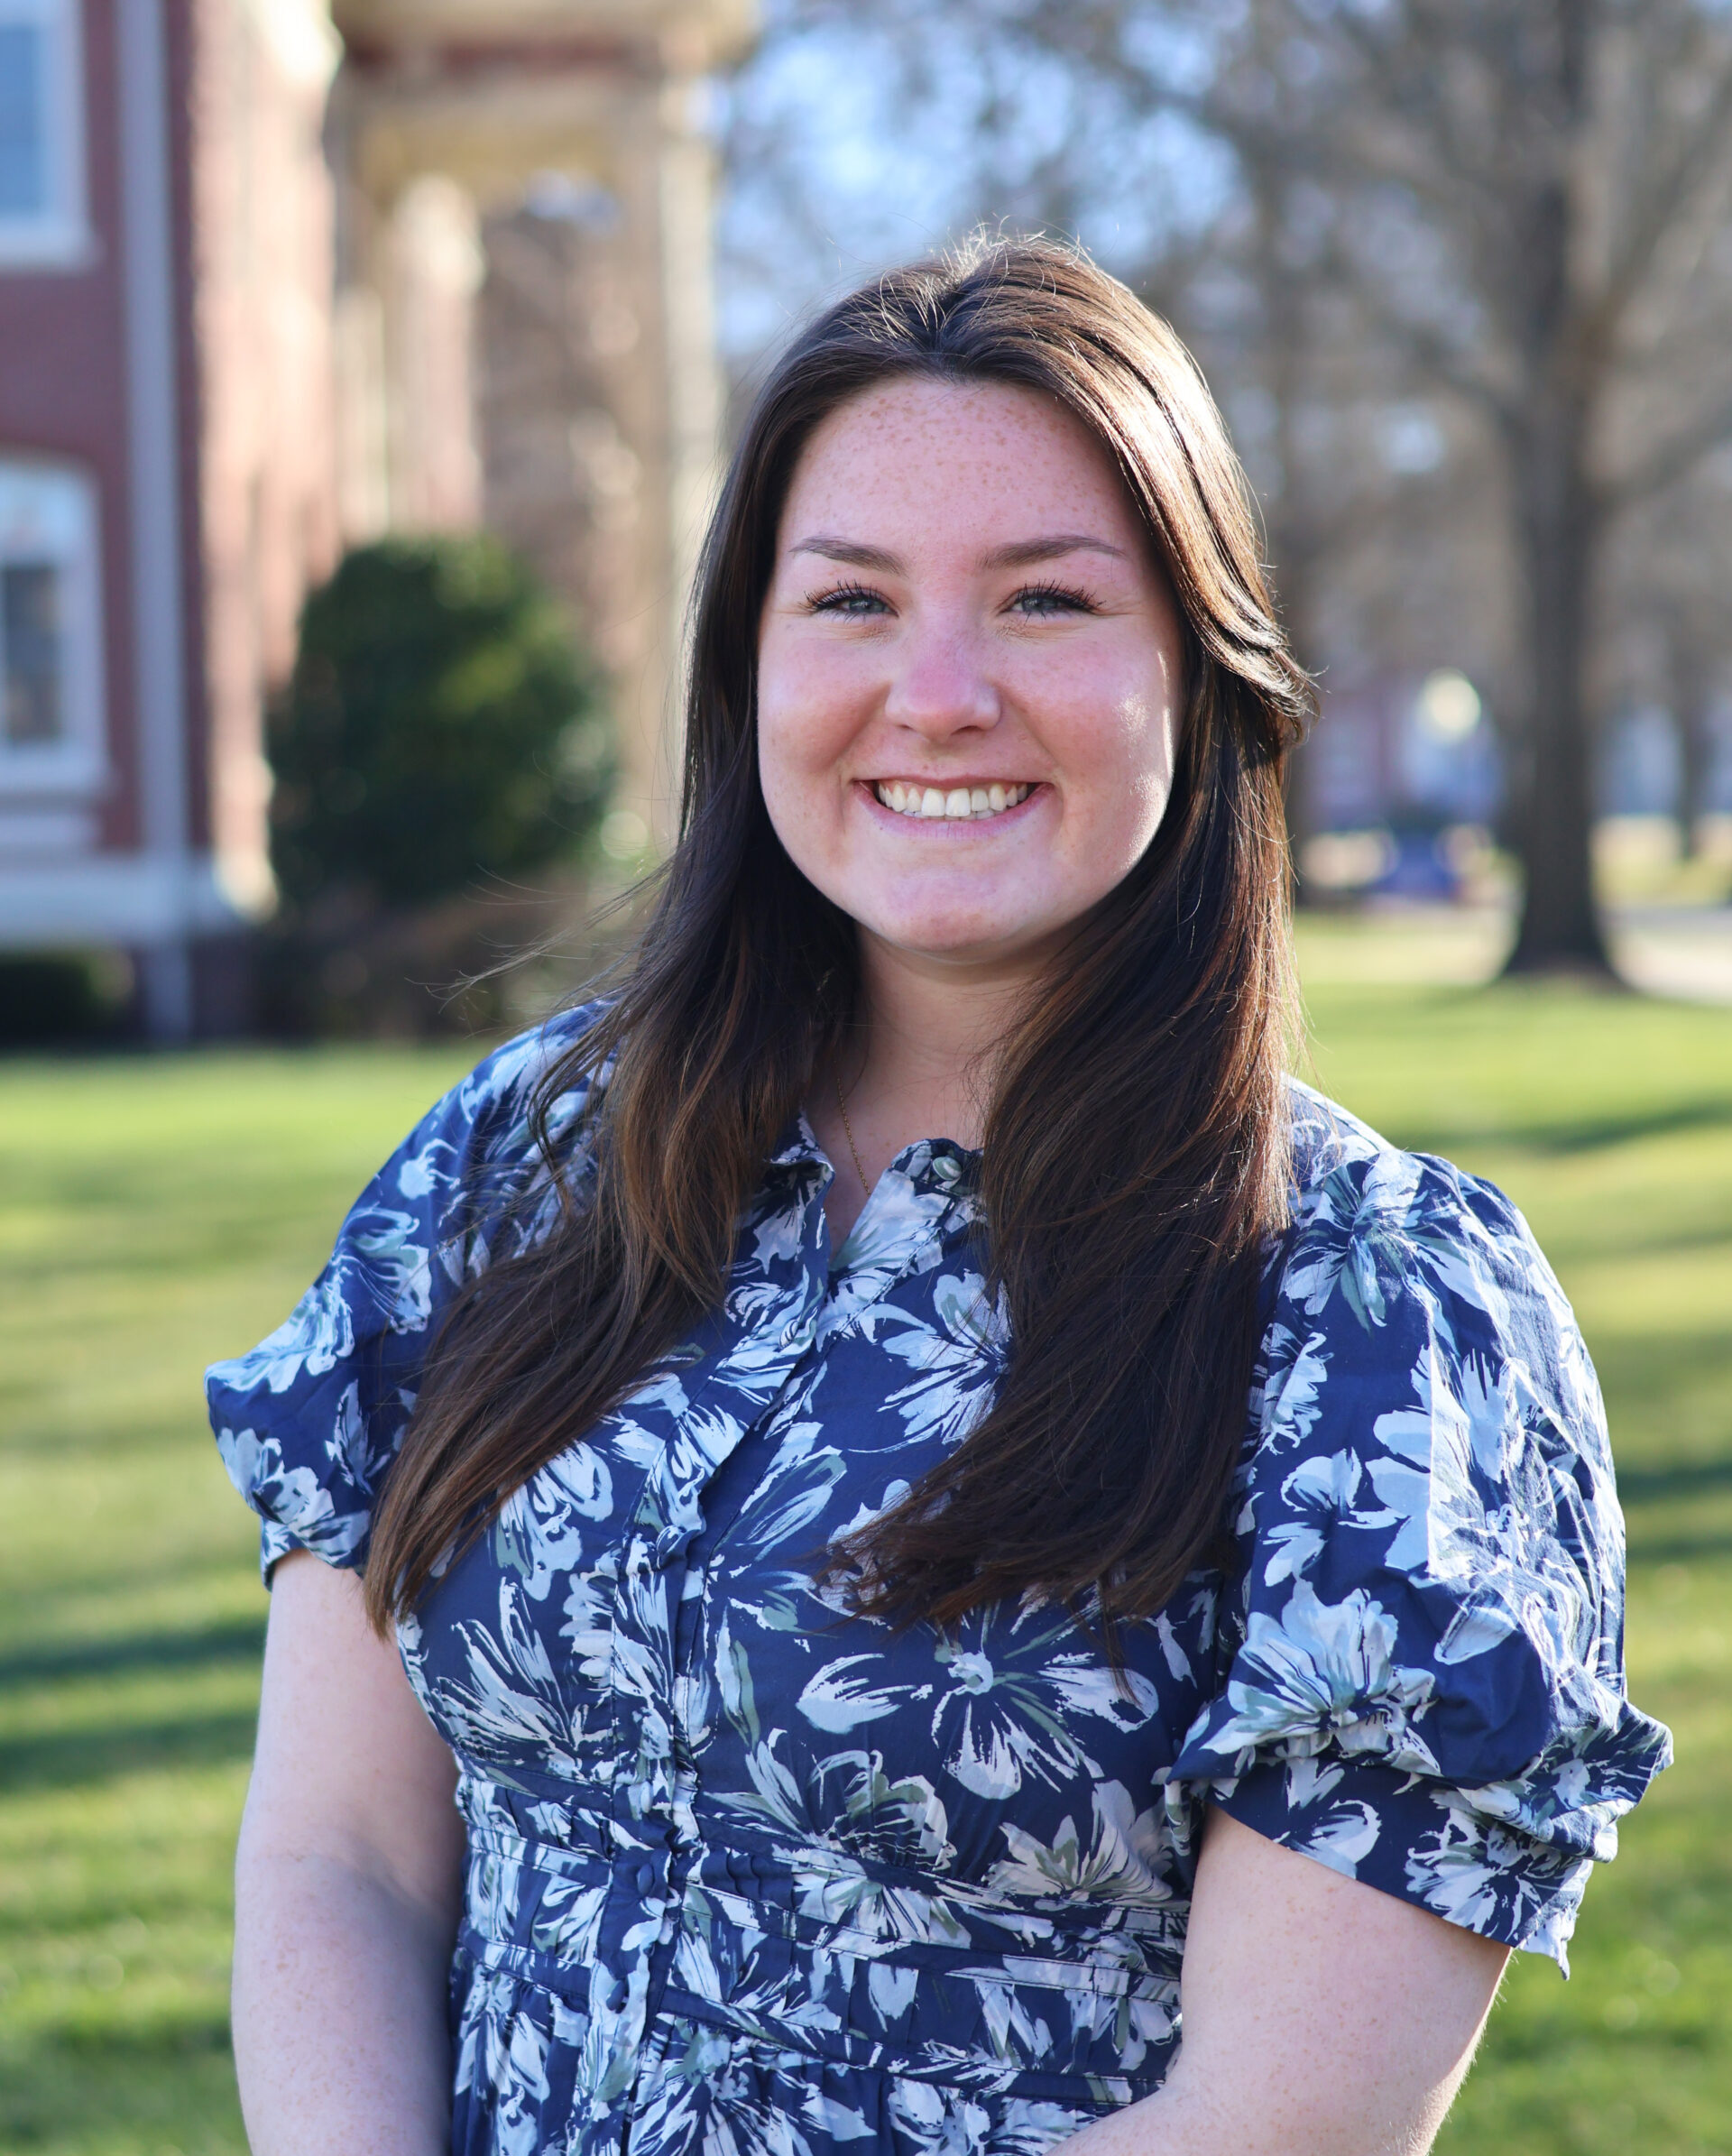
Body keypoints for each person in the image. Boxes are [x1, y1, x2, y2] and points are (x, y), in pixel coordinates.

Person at [207, 236, 1669, 2156]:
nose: (941, 692)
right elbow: (339, 1859)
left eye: (1048, 600)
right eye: (853, 601)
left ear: (1200, 669)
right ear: (751, 667)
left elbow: (1281, 2121)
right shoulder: (513, 1167)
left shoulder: (1374, 1312)